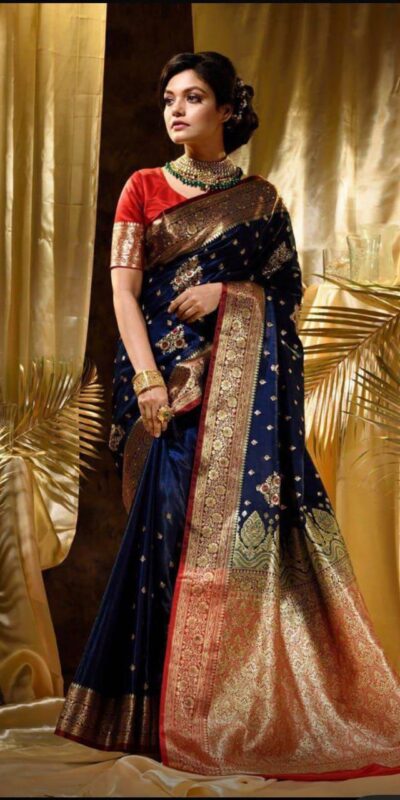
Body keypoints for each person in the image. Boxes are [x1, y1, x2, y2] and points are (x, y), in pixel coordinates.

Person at [54, 51, 400, 780]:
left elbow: (286, 296)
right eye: (169, 99)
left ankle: (221, 713)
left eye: (193, 97)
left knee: (234, 552)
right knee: (168, 538)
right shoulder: (143, 187)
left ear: (226, 110)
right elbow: (123, 294)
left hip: (242, 399)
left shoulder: (262, 200)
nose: (176, 111)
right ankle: (152, 713)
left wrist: (229, 295)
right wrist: (148, 380)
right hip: (167, 396)